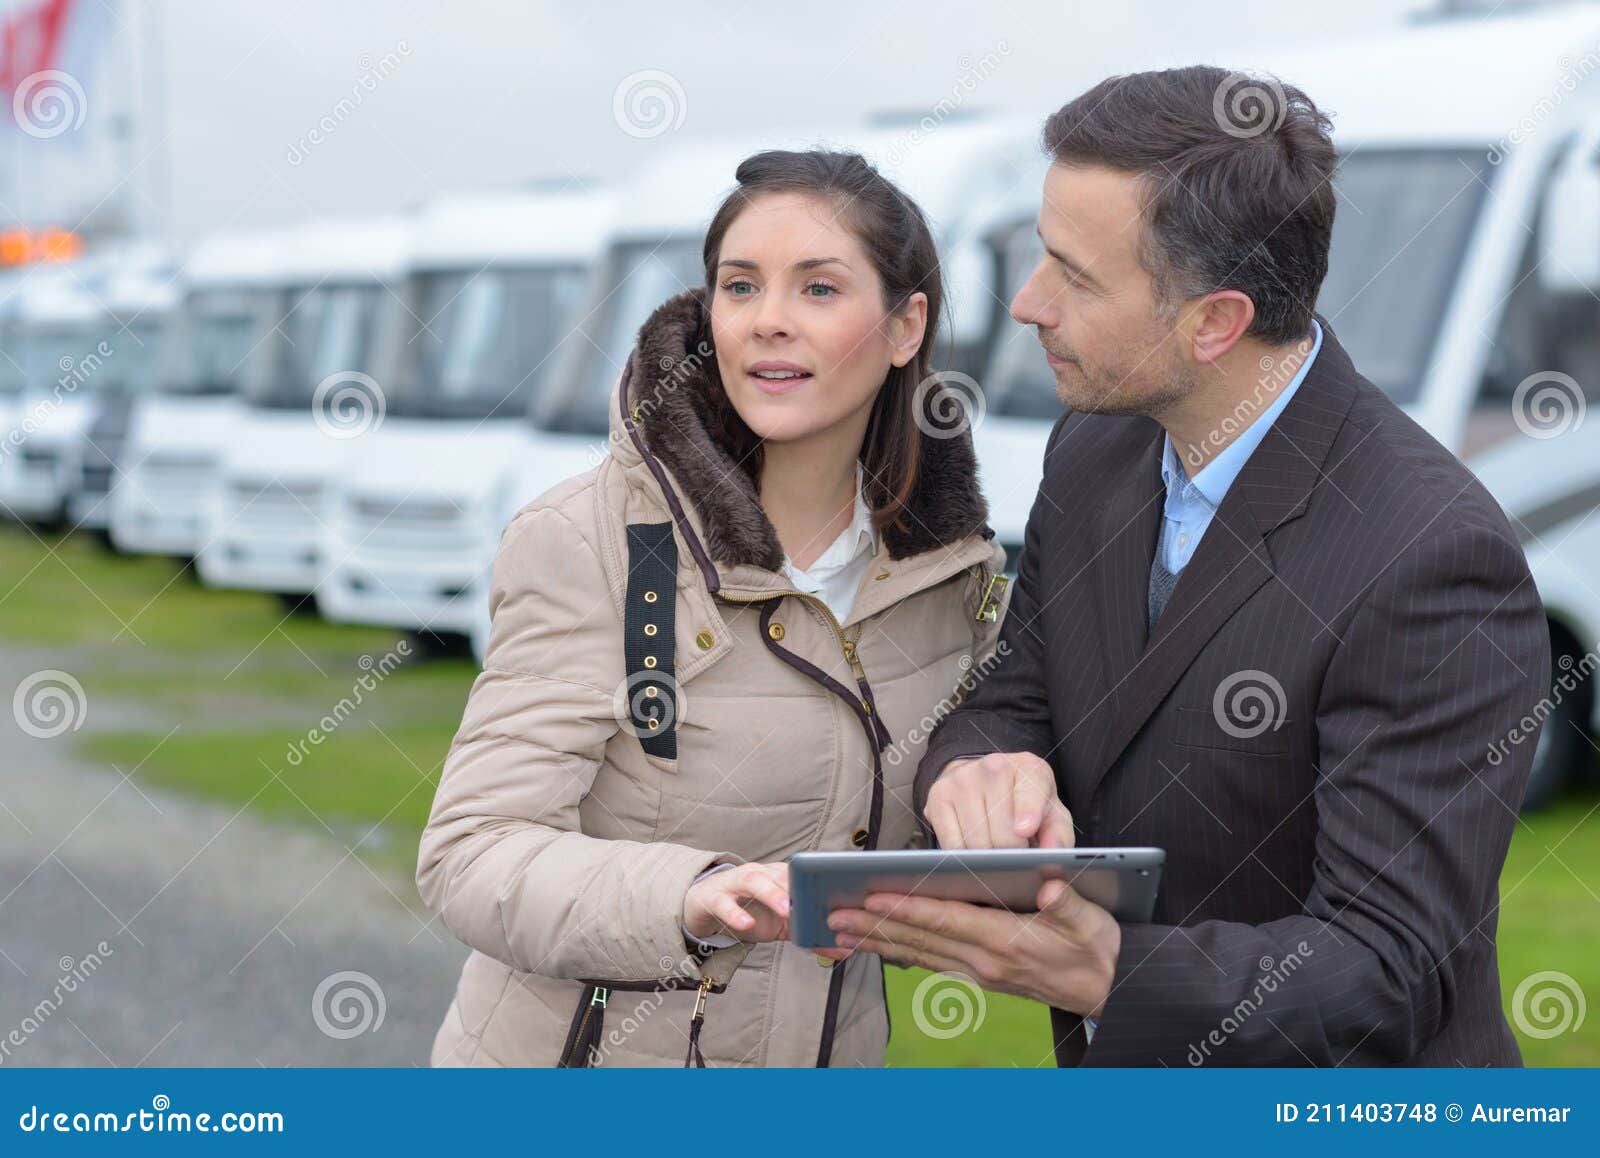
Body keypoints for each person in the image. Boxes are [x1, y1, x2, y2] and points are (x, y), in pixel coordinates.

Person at [824, 66, 1550, 1067]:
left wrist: (1096, 969)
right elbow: (1015, 694)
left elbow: (1383, 966)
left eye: (1074, 276)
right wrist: (981, 764)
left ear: (1215, 322)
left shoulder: (1430, 556)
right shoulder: (1094, 451)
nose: (1029, 303)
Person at [415, 148, 1010, 1067]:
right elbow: (472, 853)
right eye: (741, 287)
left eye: (818, 290)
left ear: (905, 326)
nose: (769, 321)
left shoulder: (954, 577)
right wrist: (688, 896)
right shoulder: (587, 539)